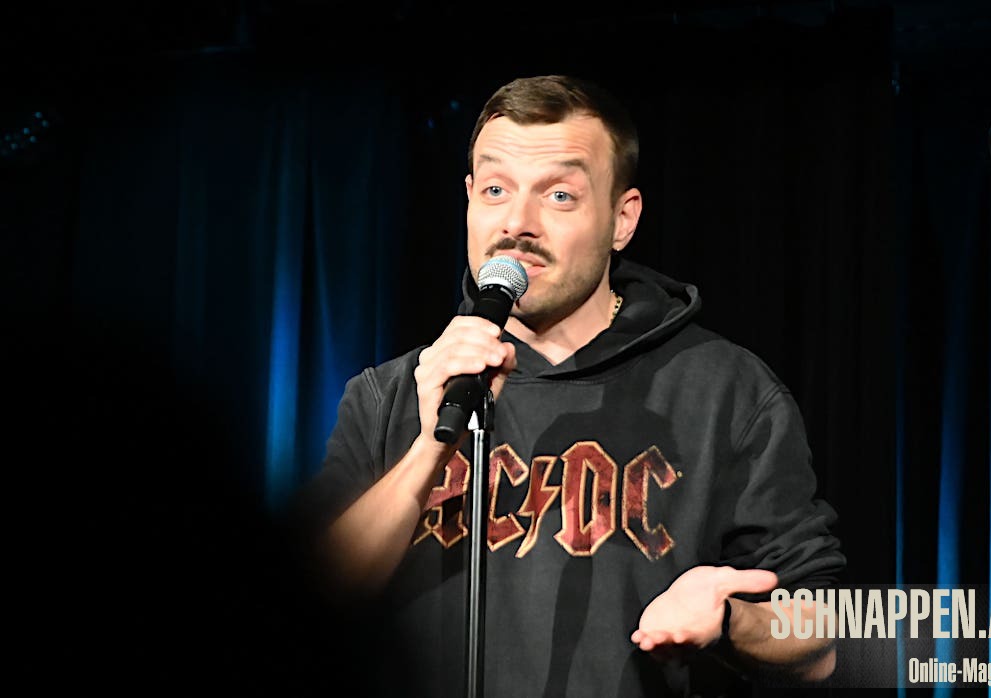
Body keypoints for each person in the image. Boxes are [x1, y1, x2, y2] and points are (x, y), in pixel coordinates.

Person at [292, 74, 845, 697]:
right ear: (469, 199)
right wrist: (428, 449)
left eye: (559, 195)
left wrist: (731, 621)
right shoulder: (390, 394)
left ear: (622, 219)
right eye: (496, 189)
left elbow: (831, 641)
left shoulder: (725, 392)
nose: (517, 223)